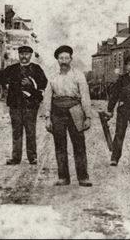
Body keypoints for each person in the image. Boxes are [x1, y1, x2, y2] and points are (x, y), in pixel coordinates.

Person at [42, 45, 94, 187]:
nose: (64, 61)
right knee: (60, 145)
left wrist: (87, 116)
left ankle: (83, 177)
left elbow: (85, 95)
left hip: (76, 111)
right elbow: (47, 97)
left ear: (71, 59)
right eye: (61, 58)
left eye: (66, 58)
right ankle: (63, 177)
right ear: (57, 60)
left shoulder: (78, 75)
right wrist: (47, 117)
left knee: (79, 145)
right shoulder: (52, 76)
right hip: (57, 112)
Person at [0, 45, 48, 165]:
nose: (24, 56)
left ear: (31, 55)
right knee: (16, 131)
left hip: (30, 106)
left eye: (27, 54)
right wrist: (6, 85)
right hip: (15, 105)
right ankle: (15, 157)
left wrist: (32, 84)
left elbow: (43, 83)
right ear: (18, 55)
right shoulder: (12, 68)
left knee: (30, 131)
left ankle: (32, 157)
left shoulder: (36, 69)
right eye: (22, 54)